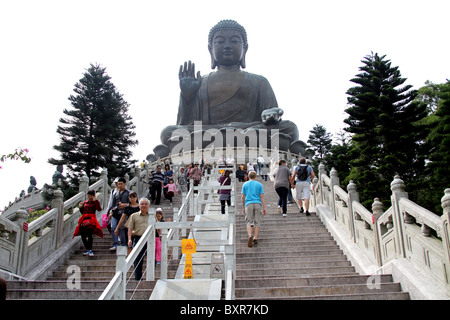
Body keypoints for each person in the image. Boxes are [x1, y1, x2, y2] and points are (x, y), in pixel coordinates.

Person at [125, 198, 151, 280]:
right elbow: (129, 228)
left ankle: (150, 277)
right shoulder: (134, 215)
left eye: (146, 204)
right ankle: (138, 278)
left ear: (149, 206)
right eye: (142, 204)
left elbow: (157, 227)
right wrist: (129, 239)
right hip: (138, 238)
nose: (144, 206)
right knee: (137, 259)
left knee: (153, 259)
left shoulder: (152, 216)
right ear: (139, 206)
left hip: (150, 239)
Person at [73, 190, 103, 256]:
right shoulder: (85, 203)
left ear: (93, 196)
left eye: (90, 195)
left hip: (91, 220)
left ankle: (89, 250)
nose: (89, 197)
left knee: (90, 234)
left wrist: (96, 201)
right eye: (88, 195)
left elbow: (99, 209)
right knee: (82, 234)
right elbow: (82, 212)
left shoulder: (95, 202)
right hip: (84, 219)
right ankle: (88, 249)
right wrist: (80, 207)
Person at [241, 171, 267, 247]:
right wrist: (264, 207)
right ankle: (255, 238)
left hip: (248, 204)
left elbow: (243, 197)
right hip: (257, 203)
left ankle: (250, 236)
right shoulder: (259, 185)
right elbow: (262, 197)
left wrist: (243, 206)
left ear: (248, 177)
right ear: (255, 177)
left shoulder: (245, 184)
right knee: (257, 221)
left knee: (249, 221)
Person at [108, 177, 130, 250]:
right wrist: (110, 212)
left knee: (122, 228)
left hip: (124, 213)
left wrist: (124, 205)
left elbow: (133, 203)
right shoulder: (115, 193)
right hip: (116, 213)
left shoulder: (129, 193)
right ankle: (115, 243)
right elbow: (113, 204)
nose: (120, 185)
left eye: (121, 184)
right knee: (113, 227)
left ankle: (123, 244)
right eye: (118, 184)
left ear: (125, 184)